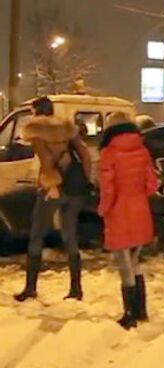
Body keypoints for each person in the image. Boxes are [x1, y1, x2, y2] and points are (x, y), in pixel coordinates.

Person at [14, 97, 92, 302]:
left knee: (37, 234)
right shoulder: (67, 127)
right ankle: (76, 289)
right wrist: (87, 180)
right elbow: (84, 154)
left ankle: (30, 288)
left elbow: (47, 159)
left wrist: (53, 185)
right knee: (70, 235)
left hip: (53, 187)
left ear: (36, 111)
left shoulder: (36, 129)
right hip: (75, 188)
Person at [98, 112, 158, 329]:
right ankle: (142, 310)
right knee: (135, 262)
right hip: (140, 210)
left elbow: (108, 187)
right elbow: (152, 184)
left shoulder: (109, 152)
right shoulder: (142, 150)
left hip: (119, 212)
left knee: (124, 265)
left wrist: (103, 210)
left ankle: (129, 314)